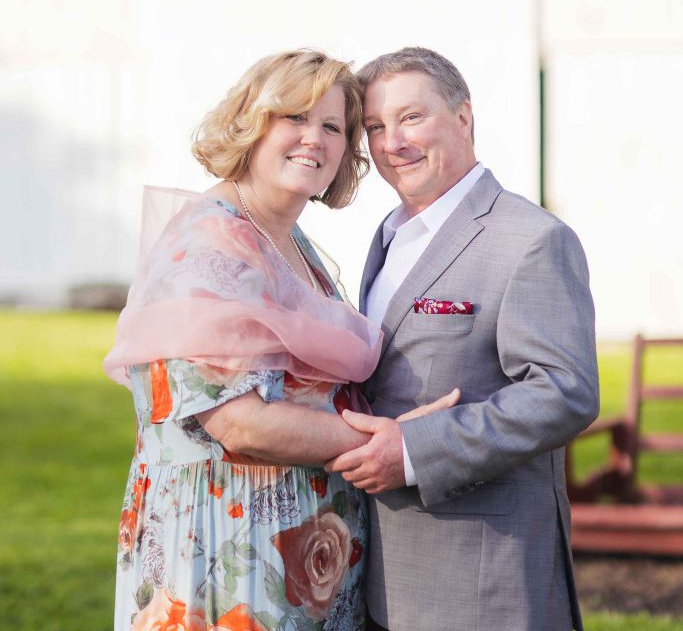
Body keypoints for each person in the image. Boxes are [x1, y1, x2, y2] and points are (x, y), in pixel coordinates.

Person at [104, 49, 458, 631]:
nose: (312, 139)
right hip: (226, 555)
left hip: (299, 554)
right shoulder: (211, 244)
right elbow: (238, 421)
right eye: (294, 117)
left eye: (332, 127)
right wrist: (396, 441)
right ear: (251, 121)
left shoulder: (288, 239)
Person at [326, 47, 600, 631]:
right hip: (385, 573)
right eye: (374, 127)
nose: (391, 142)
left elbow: (564, 392)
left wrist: (413, 450)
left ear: (464, 117)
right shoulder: (391, 235)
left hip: (484, 580)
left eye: (411, 118)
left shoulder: (531, 238)